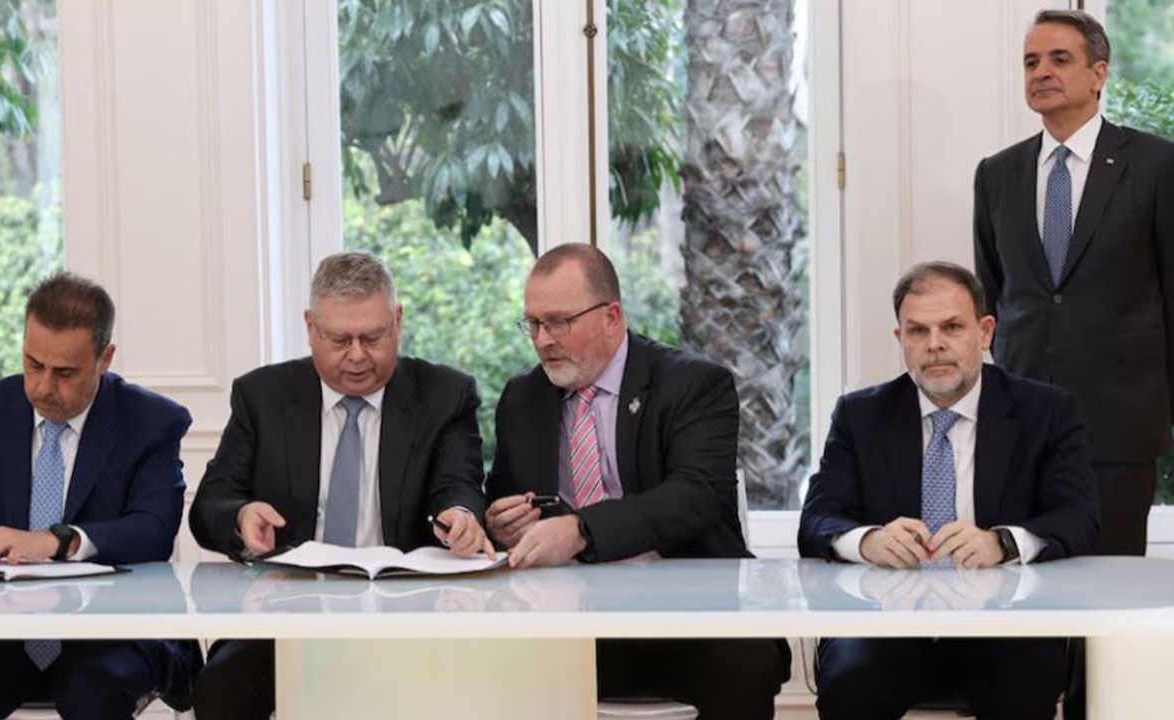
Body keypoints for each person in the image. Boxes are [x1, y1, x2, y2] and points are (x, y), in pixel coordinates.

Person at [484, 243, 790, 720]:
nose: (543, 340)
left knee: (745, 660)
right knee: (486, 657)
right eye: (534, 324)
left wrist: (582, 530)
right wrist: (501, 522)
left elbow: (696, 497)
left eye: (559, 322)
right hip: (566, 617)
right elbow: (504, 497)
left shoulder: (694, 384)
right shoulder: (522, 396)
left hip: (684, 614)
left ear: (612, 317)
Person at [189, 251, 493, 720]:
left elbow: (459, 484)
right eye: (338, 339)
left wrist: (462, 515)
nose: (356, 355)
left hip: (408, 616)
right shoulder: (263, 396)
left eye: (372, 337)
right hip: (284, 612)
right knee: (220, 686)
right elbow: (210, 504)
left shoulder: (444, 395)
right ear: (311, 327)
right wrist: (241, 516)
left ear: (398, 322)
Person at [0, 272, 202, 719]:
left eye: (64, 373)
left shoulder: (151, 420)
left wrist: (57, 541)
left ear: (104, 359)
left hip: (109, 630)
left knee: (93, 695)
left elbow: (153, 530)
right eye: (33, 364)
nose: (42, 386)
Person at [798, 262, 1098, 720]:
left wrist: (1001, 543)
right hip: (885, 627)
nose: (934, 344)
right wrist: (869, 541)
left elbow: (1079, 518)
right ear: (900, 338)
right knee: (851, 679)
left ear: (985, 332)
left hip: (1004, 625)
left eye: (952, 327)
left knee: (1026, 679)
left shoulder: (1046, 411)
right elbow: (817, 520)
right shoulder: (860, 415)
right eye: (918, 331)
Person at [973, 8, 1174, 556]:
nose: (1042, 72)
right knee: (1021, 583)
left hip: (1120, 423)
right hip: (1020, 423)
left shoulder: (1156, 165)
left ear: (1098, 73)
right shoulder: (997, 173)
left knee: (1109, 583)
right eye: (1031, 62)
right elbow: (994, 291)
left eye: (1060, 59)